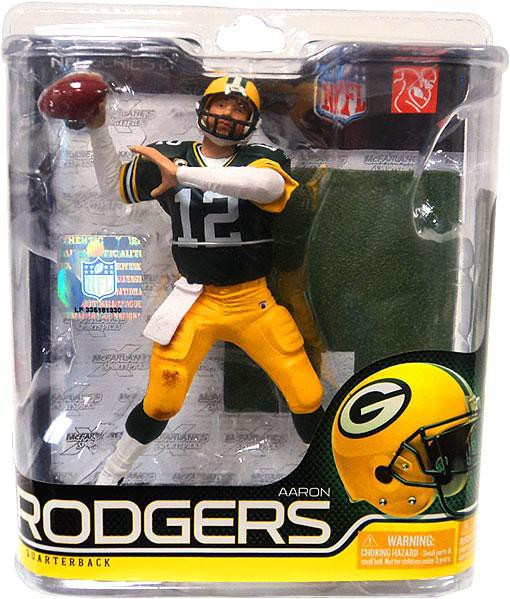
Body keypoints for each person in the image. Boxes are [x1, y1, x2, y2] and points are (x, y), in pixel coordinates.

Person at [86, 75, 324, 485]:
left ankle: (328, 474)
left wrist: (182, 176)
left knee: (306, 394)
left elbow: (266, 186)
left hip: (252, 302)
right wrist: (97, 127)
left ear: (252, 120)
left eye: (240, 108)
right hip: (194, 299)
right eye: (222, 104)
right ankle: (109, 477)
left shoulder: (261, 157)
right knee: (161, 402)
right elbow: (113, 187)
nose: (228, 114)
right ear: (204, 108)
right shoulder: (170, 153)